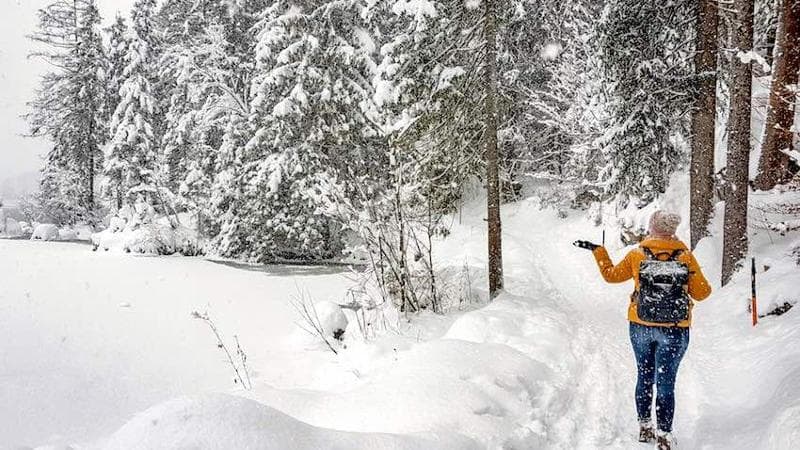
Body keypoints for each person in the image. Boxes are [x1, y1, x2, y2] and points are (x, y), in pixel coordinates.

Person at [574, 210, 711, 450]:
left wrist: (599, 251)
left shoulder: (638, 254)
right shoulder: (686, 256)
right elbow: (702, 293)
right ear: (672, 230)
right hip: (675, 328)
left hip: (641, 324)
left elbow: (611, 275)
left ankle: (645, 426)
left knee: (645, 375)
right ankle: (664, 436)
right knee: (666, 382)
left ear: (652, 227)